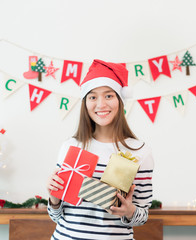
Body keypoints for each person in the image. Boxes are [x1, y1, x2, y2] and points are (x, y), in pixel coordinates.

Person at [47, 59, 154, 240]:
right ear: (85, 102)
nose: (101, 104)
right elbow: (55, 216)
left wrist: (129, 211)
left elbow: (142, 217)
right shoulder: (71, 146)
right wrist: (54, 198)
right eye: (93, 97)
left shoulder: (139, 151)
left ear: (120, 100)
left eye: (109, 95)